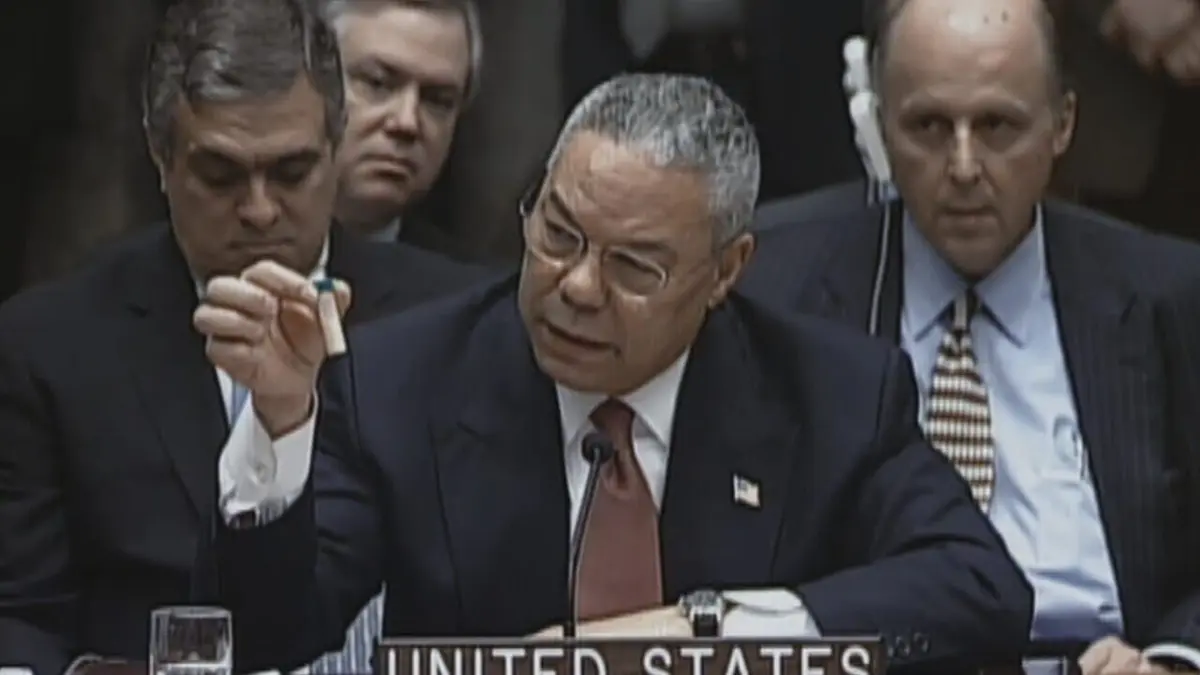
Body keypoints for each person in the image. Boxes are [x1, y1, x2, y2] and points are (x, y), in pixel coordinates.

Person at [193, 72, 1033, 673]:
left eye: (635, 266)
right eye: (558, 234)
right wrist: (280, 422)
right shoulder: (400, 380)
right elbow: (268, 635)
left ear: (726, 270)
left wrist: (698, 636)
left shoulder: (833, 393)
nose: (577, 287)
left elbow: (982, 590)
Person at [0, 0, 483, 672]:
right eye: (221, 175)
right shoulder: (50, 346)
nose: (259, 210)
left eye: (291, 172)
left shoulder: (454, 326)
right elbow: (23, 616)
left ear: (336, 144)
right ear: (161, 156)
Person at [739, 0, 1200, 671]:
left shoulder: (1166, 294)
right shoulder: (777, 289)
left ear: (1063, 124)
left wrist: (1172, 659)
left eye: (997, 126)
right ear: (880, 126)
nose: (962, 167)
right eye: (928, 126)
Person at [322, 0, 483, 259]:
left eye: (437, 100)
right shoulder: (250, 245)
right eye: (377, 83)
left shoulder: (469, 281)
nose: (407, 122)